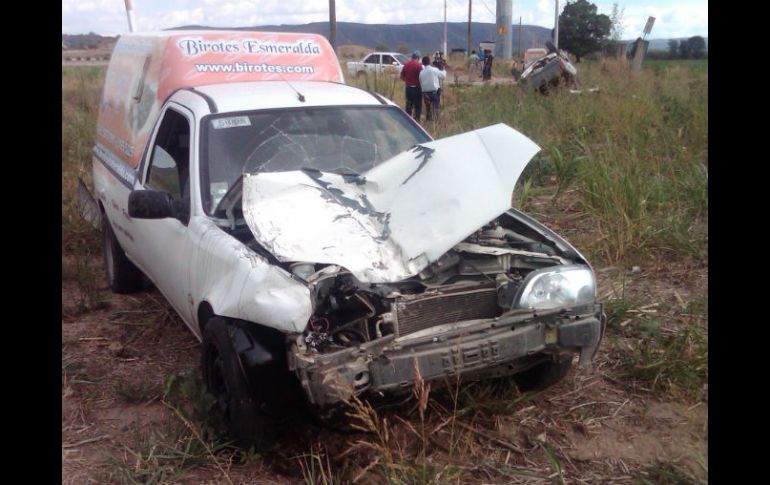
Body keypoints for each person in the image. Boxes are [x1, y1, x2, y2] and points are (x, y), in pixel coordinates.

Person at [418, 55, 446, 121]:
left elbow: (420, 82)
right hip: (434, 93)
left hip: (425, 94)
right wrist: (443, 69)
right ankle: (436, 122)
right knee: (436, 108)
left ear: (423, 63)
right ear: (429, 62)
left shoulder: (421, 73)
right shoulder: (434, 70)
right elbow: (443, 76)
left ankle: (429, 122)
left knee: (428, 109)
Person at [400, 50, 423, 121]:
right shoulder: (419, 66)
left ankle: (408, 121)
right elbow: (422, 77)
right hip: (417, 89)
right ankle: (416, 122)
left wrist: (407, 81)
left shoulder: (406, 64)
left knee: (409, 105)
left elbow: (401, 76)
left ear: (412, 57)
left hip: (408, 88)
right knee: (417, 107)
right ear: (418, 58)